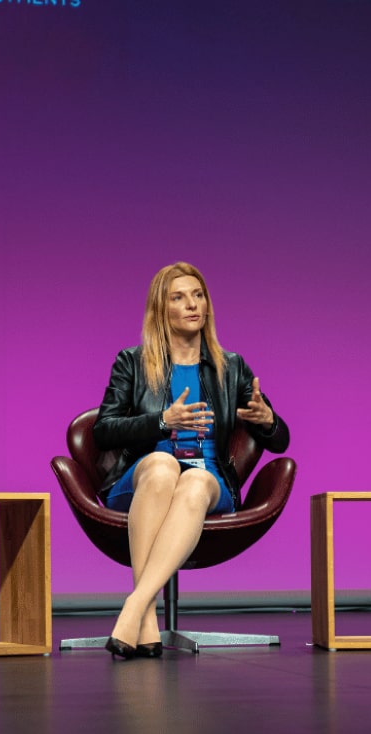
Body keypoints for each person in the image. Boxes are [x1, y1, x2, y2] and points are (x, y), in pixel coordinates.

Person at [93, 261, 290, 660]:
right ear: (160, 309)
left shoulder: (230, 367)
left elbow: (281, 440)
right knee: (164, 466)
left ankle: (135, 606)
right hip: (145, 478)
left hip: (208, 480)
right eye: (179, 297)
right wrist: (162, 422)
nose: (192, 304)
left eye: (198, 295)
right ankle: (147, 620)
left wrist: (267, 419)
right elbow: (103, 431)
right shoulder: (132, 362)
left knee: (194, 481)